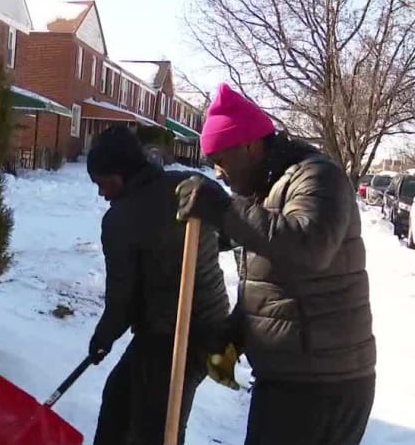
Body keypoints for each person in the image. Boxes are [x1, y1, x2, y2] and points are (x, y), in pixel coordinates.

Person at [176, 83, 377, 445]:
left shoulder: (317, 177)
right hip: (289, 377)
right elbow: (276, 284)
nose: (219, 172)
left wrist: (224, 209)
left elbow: (309, 248)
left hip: (323, 383)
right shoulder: (264, 193)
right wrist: (235, 335)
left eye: (221, 159)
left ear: (251, 146)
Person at [86, 125, 231, 444]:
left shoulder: (120, 220)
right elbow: (233, 233)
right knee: (120, 398)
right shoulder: (191, 184)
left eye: (100, 182)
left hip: (179, 333)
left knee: (155, 426)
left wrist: (103, 336)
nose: (100, 193)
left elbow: (122, 299)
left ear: (119, 173)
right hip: (210, 328)